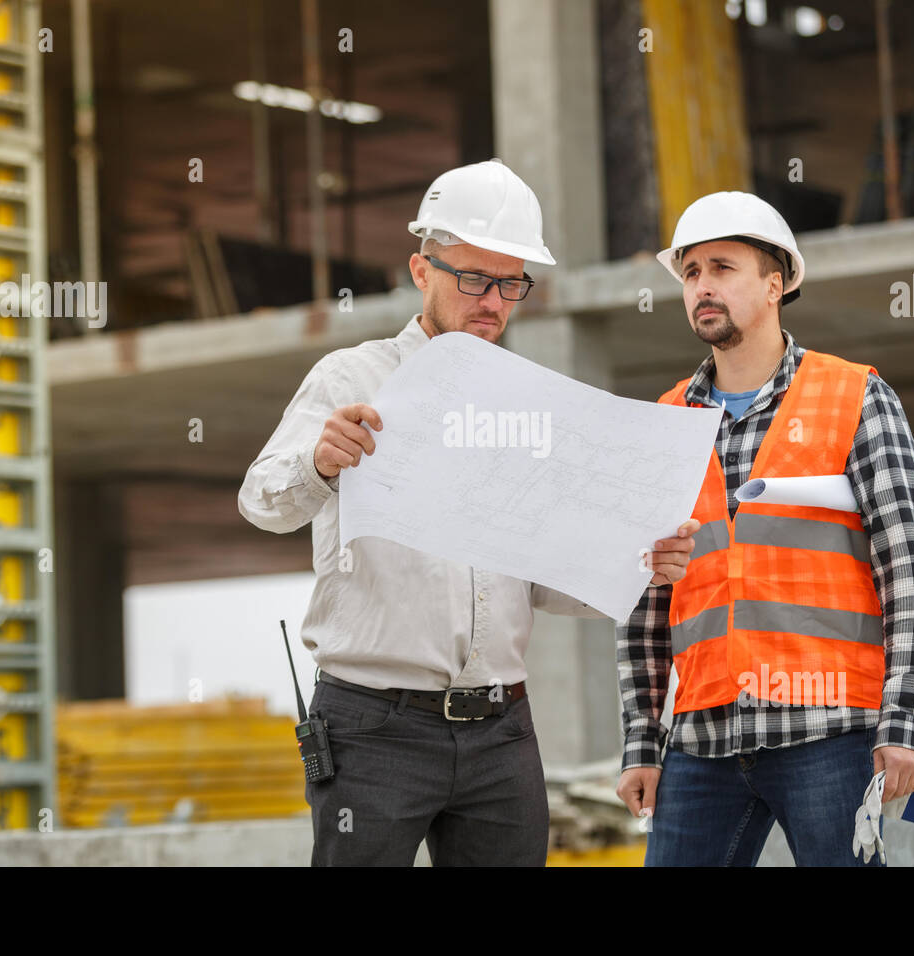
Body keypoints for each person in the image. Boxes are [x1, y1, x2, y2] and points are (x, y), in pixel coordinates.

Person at [239, 159, 699, 866]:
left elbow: (542, 581)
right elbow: (261, 503)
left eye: (511, 283)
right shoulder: (351, 380)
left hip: (500, 730)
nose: (494, 300)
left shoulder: (527, 407)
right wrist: (320, 462)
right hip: (372, 726)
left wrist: (642, 563)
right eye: (474, 279)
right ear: (422, 271)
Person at [614, 191, 914, 866]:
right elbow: (642, 596)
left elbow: (910, 566)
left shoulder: (854, 396)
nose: (702, 286)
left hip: (829, 732)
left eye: (722, 267)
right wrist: (641, 744)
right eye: (691, 273)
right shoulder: (667, 419)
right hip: (703, 740)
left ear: (775, 284)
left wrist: (905, 720)